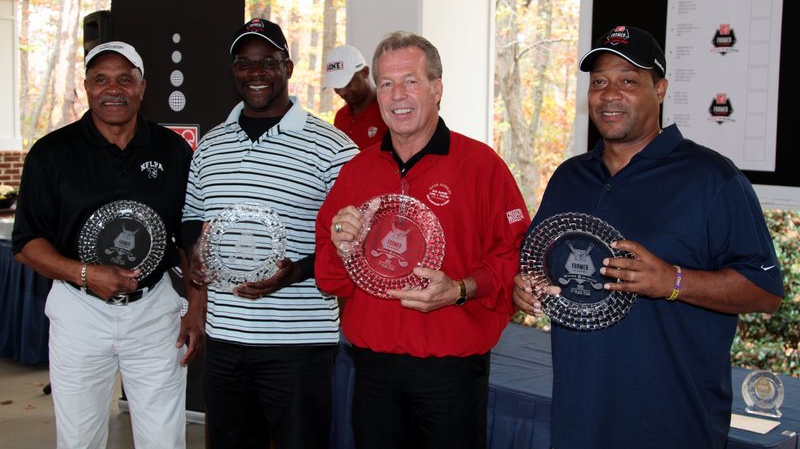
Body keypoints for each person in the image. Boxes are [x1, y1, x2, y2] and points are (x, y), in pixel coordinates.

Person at [513, 25, 784, 449]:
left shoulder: (712, 178)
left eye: (628, 80)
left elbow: (766, 292)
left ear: (660, 89)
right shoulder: (570, 177)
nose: (609, 93)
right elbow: (544, 260)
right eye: (599, 81)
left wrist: (672, 281)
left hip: (670, 421)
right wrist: (527, 286)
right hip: (578, 415)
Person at [315, 31, 530, 448]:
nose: (399, 95)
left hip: (450, 372)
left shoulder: (481, 166)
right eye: (388, 83)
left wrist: (461, 289)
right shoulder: (357, 172)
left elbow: (514, 255)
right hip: (373, 370)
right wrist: (341, 244)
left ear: (436, 89)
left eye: (411, 80)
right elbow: (327, 274)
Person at [12, 41, 202, 449]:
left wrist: (196, 309)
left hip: (154, 312)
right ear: (86, 87)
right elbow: (27, 242)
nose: (112, 89)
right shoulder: (52, 152)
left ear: (142, 87)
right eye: (101, 80)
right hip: (79, 311)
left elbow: (188, 235)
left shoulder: (172, 150)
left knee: (165, 439)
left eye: (124, 79)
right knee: (80, 438)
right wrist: (85, 274)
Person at [181, 18, 358, 449]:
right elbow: (190, 217)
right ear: (233, 70)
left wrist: (295, 272)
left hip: (297, 343)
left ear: (288, 67)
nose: (255, 73)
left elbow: (355, 245)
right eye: (244, 63)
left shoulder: (334, 148)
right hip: (225, 338)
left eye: (267, 62)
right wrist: (192, 255)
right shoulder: (211, 144)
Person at [323, 44, 388, 149]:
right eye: (337, 86)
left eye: (347, 84)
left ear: (365, 72)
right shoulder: (340, 117)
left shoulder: (388, 112)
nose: (342, 92)